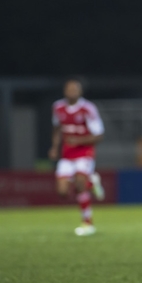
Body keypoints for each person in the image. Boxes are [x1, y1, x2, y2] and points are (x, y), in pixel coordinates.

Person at [49, 78, 105, 236]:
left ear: (80, 92)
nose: (72, 92)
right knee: (62, 192)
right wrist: (54, 147)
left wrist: (78, 141)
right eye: (69, 89)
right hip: (67, 155)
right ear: (64, 91)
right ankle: (91, 182)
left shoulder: (88, 109)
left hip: (84, 153)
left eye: (75, 89)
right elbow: (57, 128)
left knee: (80, 185)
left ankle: (87, 223)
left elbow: (99, 135)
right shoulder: (58, 107)